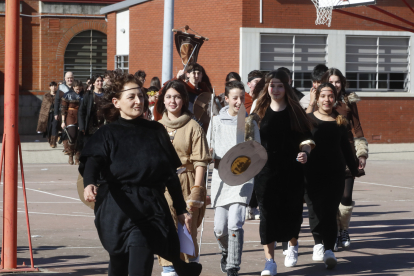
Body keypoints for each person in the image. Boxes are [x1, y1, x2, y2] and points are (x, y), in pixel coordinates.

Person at [79, 72, 202, 276]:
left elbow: (169, 175)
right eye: (132, 97)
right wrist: (89, 183)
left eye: (142, 96)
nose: (139, 101)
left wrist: (180, 209)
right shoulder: (107, 133)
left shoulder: (157, 131)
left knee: (140, 258)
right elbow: (93, 160)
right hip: (117, 207)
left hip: (150, 207)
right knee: (118, 264)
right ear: (116, 102)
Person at [252, 70, 314, 275]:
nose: (275, 89)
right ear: (266, 88)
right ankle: (269, 261)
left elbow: (306, 138)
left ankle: (292, 245)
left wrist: (305, 152)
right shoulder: (258, 110)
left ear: (286, 88)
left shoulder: (296, 111)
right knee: (267, 215)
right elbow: (248, 140)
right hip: (265, 171)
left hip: (291, 170)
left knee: (292, 213)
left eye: (279, 86)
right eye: (272, 85)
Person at [156, 80, 212, 276]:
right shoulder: (156, 127)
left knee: (187, 230)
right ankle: (169, 269)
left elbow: (200, 161)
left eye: (177, 97)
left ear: (184, 100)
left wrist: (197, 189)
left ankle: (189, 268)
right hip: (162, 186)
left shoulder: (193, 126)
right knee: (165, 228)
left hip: (187, 182)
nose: (173, 101)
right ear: (163, 99)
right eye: (169, 96)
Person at [208, 81, 260, 276]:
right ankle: (226, 251)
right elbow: (208, 148)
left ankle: (233, 266)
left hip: (243, 177)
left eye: (241, 97)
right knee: (220, 228)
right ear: (226, 99)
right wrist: (209, 152)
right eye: (234, 98)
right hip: (222, 177)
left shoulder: (249, 123)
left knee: (235, 222)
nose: (239, 101)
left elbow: (258, 153)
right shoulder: (216, 121)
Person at [304, 83, 358, 269]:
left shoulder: (341, 121)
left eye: (330, 96)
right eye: (323, 96)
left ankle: (328, 249)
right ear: (317, 98)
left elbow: (346, 147)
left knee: (330, 210)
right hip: (311, 173)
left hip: (335, 173)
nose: (327, 99)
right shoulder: (308, 120)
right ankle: (318, 243)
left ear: (335, 99)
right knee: (315, 210)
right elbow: (300, 144)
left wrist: (354, 167)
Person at [320, 68, 368, 250]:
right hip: (327, 155)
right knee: (331, 198)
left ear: (342, 83)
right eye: (331, 81)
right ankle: (333, 232)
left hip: (347, 154)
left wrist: (361, 153)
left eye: (338, 81)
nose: (335, 84)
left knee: (346, 196)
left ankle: (344, 230)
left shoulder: (348, 101)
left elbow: (358, 128)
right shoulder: (321, 102)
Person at [78, 74, 105, 147]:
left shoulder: (106, 94)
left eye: (101, 81)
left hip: (104, 124)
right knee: (91, 145)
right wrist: (82, 126)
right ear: (93, 83)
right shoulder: (89, 95)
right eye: (98, 81)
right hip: (91, 125)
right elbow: (81, 111)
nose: (100, 83)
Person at [61, 80, 82, 165]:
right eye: (77, 89)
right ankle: (70, 154)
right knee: (72, 135)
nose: (78, 91)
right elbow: (63, 108)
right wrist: (63, 121)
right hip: (70, 116)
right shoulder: (68, 95)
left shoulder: (83, 95)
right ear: (73, 87)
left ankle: (77, 156)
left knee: (79, 137)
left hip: (80, 116)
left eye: (80, 89)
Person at [54, 72, 75, 154]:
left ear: (73, 78)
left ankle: (72, 146)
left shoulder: (76, 87)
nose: (70, 79)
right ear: (65, 78)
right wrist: (56, 113)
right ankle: (66, 147)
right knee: (64, 129)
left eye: (71, 78)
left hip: (74, 112)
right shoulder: (61, 88)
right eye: (68, 78)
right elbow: (56, 101)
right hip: (63, 112)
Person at [37, 81, 59, 148]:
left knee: (54, 127)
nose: (53, 87)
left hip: (56, 114)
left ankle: (53, 142)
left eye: (55, 86)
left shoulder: (58, 95)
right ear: (49, 87)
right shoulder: (46, 96)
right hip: (48, 114)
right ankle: (50, 140)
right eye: (52, 86)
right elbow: (44, 107)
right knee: (49, 128)